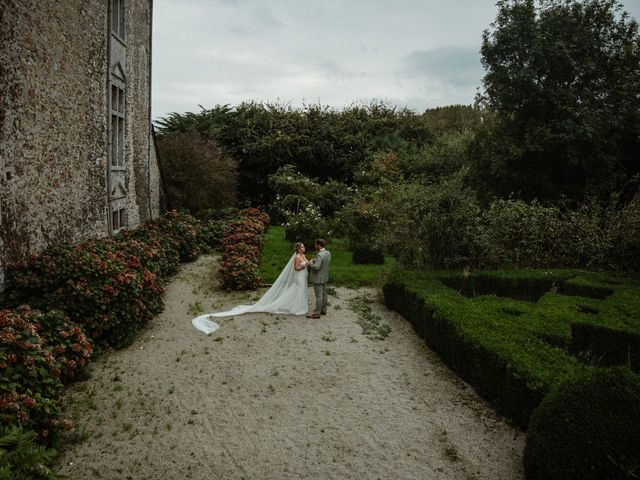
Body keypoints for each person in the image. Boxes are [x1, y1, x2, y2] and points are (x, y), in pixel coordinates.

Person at [192, 242, 310, 334]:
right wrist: (303, 265)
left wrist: (308, 263)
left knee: (300, 292)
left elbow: (305, 262)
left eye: (304, 247)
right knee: (298, 291)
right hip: (299, 276)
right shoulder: (297, 257)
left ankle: (300, 306)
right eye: (303, 247)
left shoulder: (303, 255)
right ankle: (297, 308)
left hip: (303, 276)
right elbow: (296, 268)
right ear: (298, 249)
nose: (304, 248)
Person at [306, 238, 331, 319]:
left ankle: (317, 313)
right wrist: (315, 261)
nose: (315, 245)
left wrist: (310, 264)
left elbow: (317, 267)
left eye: (316, 244)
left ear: (319, 245)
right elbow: (324, 264)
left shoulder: (319, 255)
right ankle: (323, 310)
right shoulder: (328, 253)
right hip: (324, 276)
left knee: (319, 296)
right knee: (324, 294)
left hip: (318, 278)